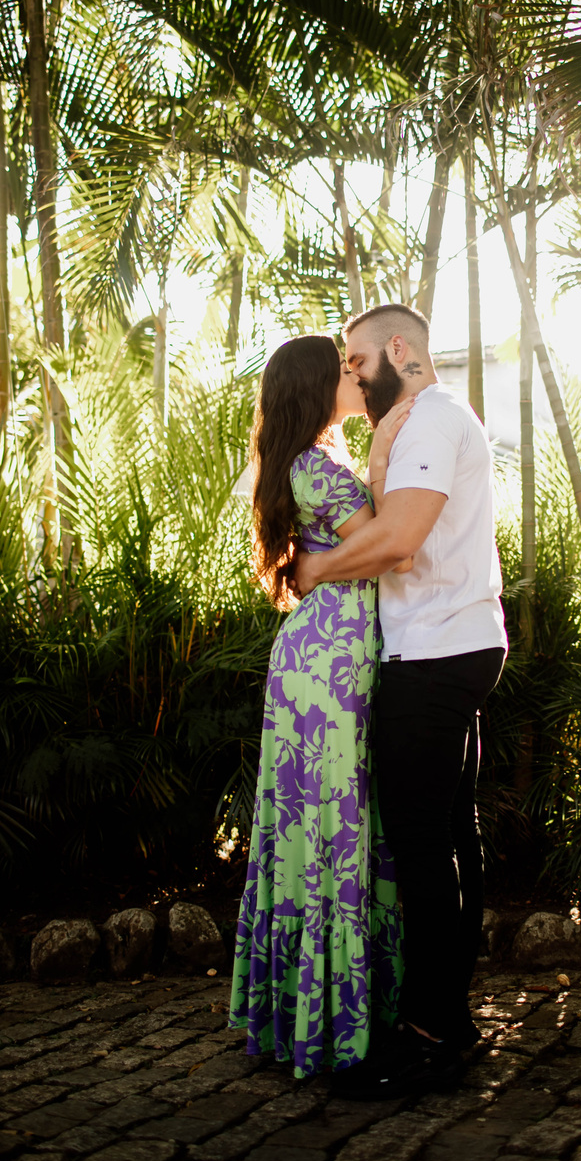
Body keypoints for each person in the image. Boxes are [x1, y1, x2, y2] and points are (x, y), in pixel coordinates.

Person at [294, 303, 508, 1098]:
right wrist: (380, 454)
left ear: (395, 350)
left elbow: (397, 540)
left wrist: (312, 570)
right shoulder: (426, 421)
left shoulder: (430, 422)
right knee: (450, 839)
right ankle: (449, 1018)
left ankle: (429, 1033)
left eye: (355, 359)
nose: (350, 373)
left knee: (422, 847)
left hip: (432, 654)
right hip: (456, 643)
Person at [228, 333, 413, 1079]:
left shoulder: (309, 462)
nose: (355, 374)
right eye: (343, 368)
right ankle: (336, 1021)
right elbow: (390, 546)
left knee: (322, 824)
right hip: (331, 660)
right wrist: (382, 452)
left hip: (321, 653)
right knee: (334, 824)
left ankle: (316, 1010)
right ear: (314, 386)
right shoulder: (315, 466)